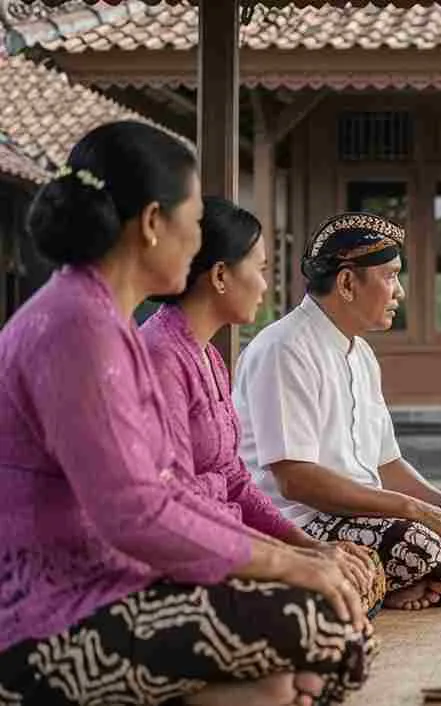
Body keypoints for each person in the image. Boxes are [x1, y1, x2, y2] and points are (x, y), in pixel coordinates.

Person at [0, 121, 373, 705]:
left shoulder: (99, 319)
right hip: (49, 617)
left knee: (316, 641)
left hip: (114, 585)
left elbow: (178, 491)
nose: (200, 241)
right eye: (195, 221)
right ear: (152, 224)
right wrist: (291, 566)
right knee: (323, 627)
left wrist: (295, 557)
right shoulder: (78, 328)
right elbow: (136, 512)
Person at [234, 211, 441, 611]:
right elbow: (297, 482)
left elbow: (388, 464)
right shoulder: (285, 348)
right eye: (391, 276)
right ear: (346, 282)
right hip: (303, 523)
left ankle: (400, 583)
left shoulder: (360, 352)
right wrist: (419, 512)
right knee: (425, 544)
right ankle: (401, 582)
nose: (400, 292)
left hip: (368, 517)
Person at [141, 197, 386, 615]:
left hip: (234, 539)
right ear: (221, 275)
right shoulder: (162, 357)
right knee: (323, 614)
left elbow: (235, 482)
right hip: (190, 556)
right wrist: (287, 560)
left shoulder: (209, 357)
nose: (266, 286)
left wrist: (308, 547)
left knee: (342, 583)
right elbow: (177, 507)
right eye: (260, 270)